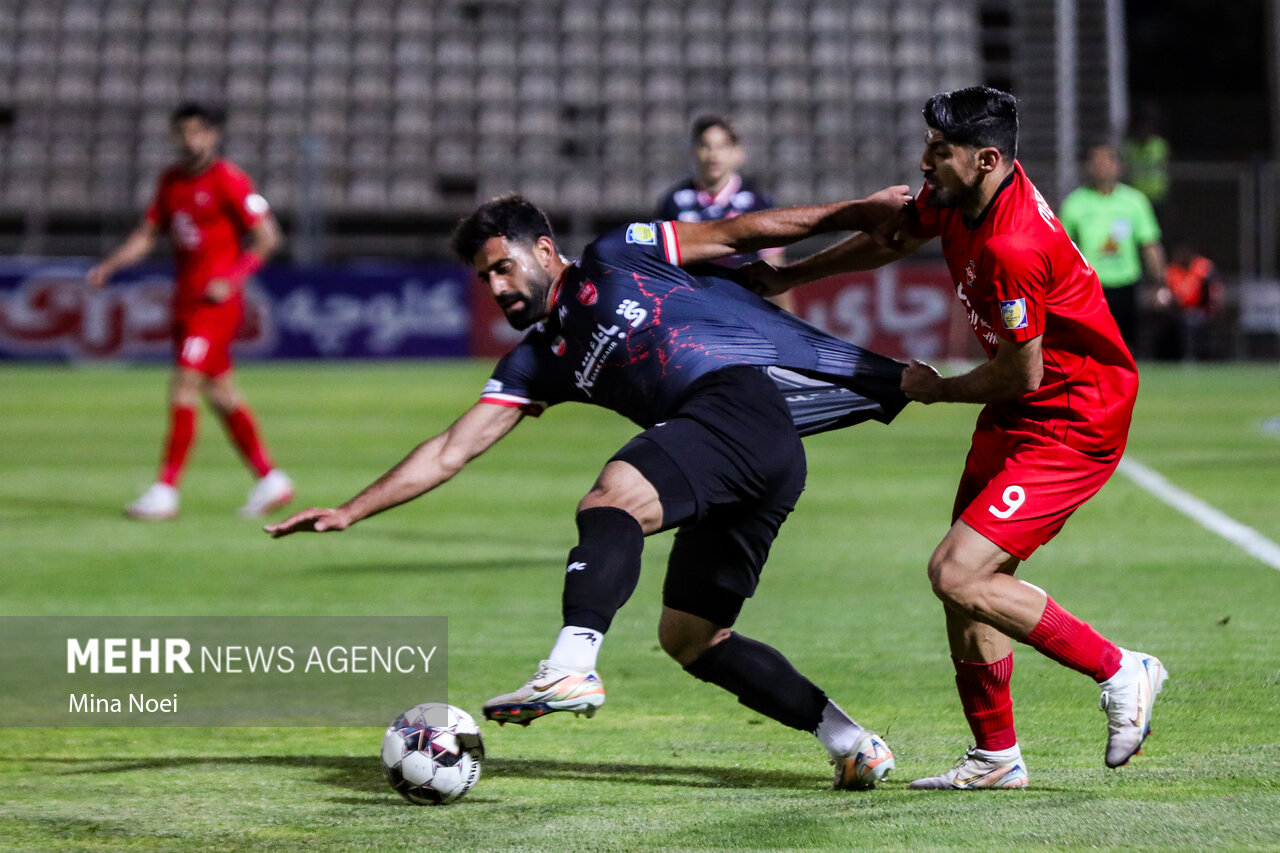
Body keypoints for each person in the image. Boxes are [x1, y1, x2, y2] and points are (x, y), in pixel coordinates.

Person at [266, 189, 917, 789]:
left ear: (544, 251)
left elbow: (737, 230)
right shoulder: (538, 357)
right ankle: (852, 742)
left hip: (739, 403)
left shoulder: (616, 256)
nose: (496, 286)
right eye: (485, 278)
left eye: (503, 266)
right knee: (693, 639)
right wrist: (352, 509)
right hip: (748, 453)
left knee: (612, 500)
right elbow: (448, 450)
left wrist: (857, 209)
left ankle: (571, 663)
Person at [751, 86, 1167, 789]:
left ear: (986, 158)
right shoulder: (960, 197)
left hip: (1072, 416)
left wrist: (935, 387)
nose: (924, 160)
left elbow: (1020, 373)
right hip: (1026, 407)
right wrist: (789, 275)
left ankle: (1122, 668)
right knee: (970, 584)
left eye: (938, 151)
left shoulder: (1011, 246)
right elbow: (892, 236)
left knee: (956, 571)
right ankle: (996, 756)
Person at [87, 102, 292, 520]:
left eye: (198, 131)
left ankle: (166, 490)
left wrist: (232, 277)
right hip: (185, 302)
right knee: (222, 394)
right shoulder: (170, 181)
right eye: (183, 132)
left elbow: (268, 237)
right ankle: (271, 479)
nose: (190, 139)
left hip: (215, 306)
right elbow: (147, 235)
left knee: (183, 385)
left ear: (213, 135)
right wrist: (111, 264)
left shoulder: (229, 180)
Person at [657, 114, 795, 311]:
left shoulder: (757, 203)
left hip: (745, 309)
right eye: (705, 146)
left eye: (721, 146)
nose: (714, 155)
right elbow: (662, 269)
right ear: (693, 152)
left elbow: (774, 268)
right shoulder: (673, 203)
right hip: (693, 310)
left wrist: (788, 326)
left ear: (737, 153)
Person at [1058, 143, 1166, 354]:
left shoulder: (1134, 202)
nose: (1101, 167)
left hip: (1126, 285)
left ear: (1117, 166)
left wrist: (1159, 282)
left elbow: (1149, 245)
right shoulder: (1075, 204)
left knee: (1126, 347)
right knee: (1091, 348)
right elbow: (1062, 250)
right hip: (1091, 287)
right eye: (1096, 162)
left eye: (1106, 161)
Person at [1154, 243, 1224, 361]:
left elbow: (1214, 289)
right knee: (1164, 322)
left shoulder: (1203, 268)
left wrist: (1213, 305)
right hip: (1178, 310)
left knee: (1191, 320)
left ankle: (1193, 356)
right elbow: (1166, 291)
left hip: (1201, 309)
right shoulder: (1173, 270)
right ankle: (1167, 356)